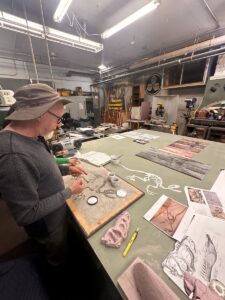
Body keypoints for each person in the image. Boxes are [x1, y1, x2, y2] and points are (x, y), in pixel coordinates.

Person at [0, 83, 87, 265]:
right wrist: (69, 191)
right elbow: (27, 214)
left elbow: (41, 165)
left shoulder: (33, 136)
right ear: (40, 114)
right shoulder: (13, 155)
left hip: (56, 216)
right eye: (58, 118)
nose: (59, 124)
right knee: (56, 258)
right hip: (47, 226)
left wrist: (65, 169)